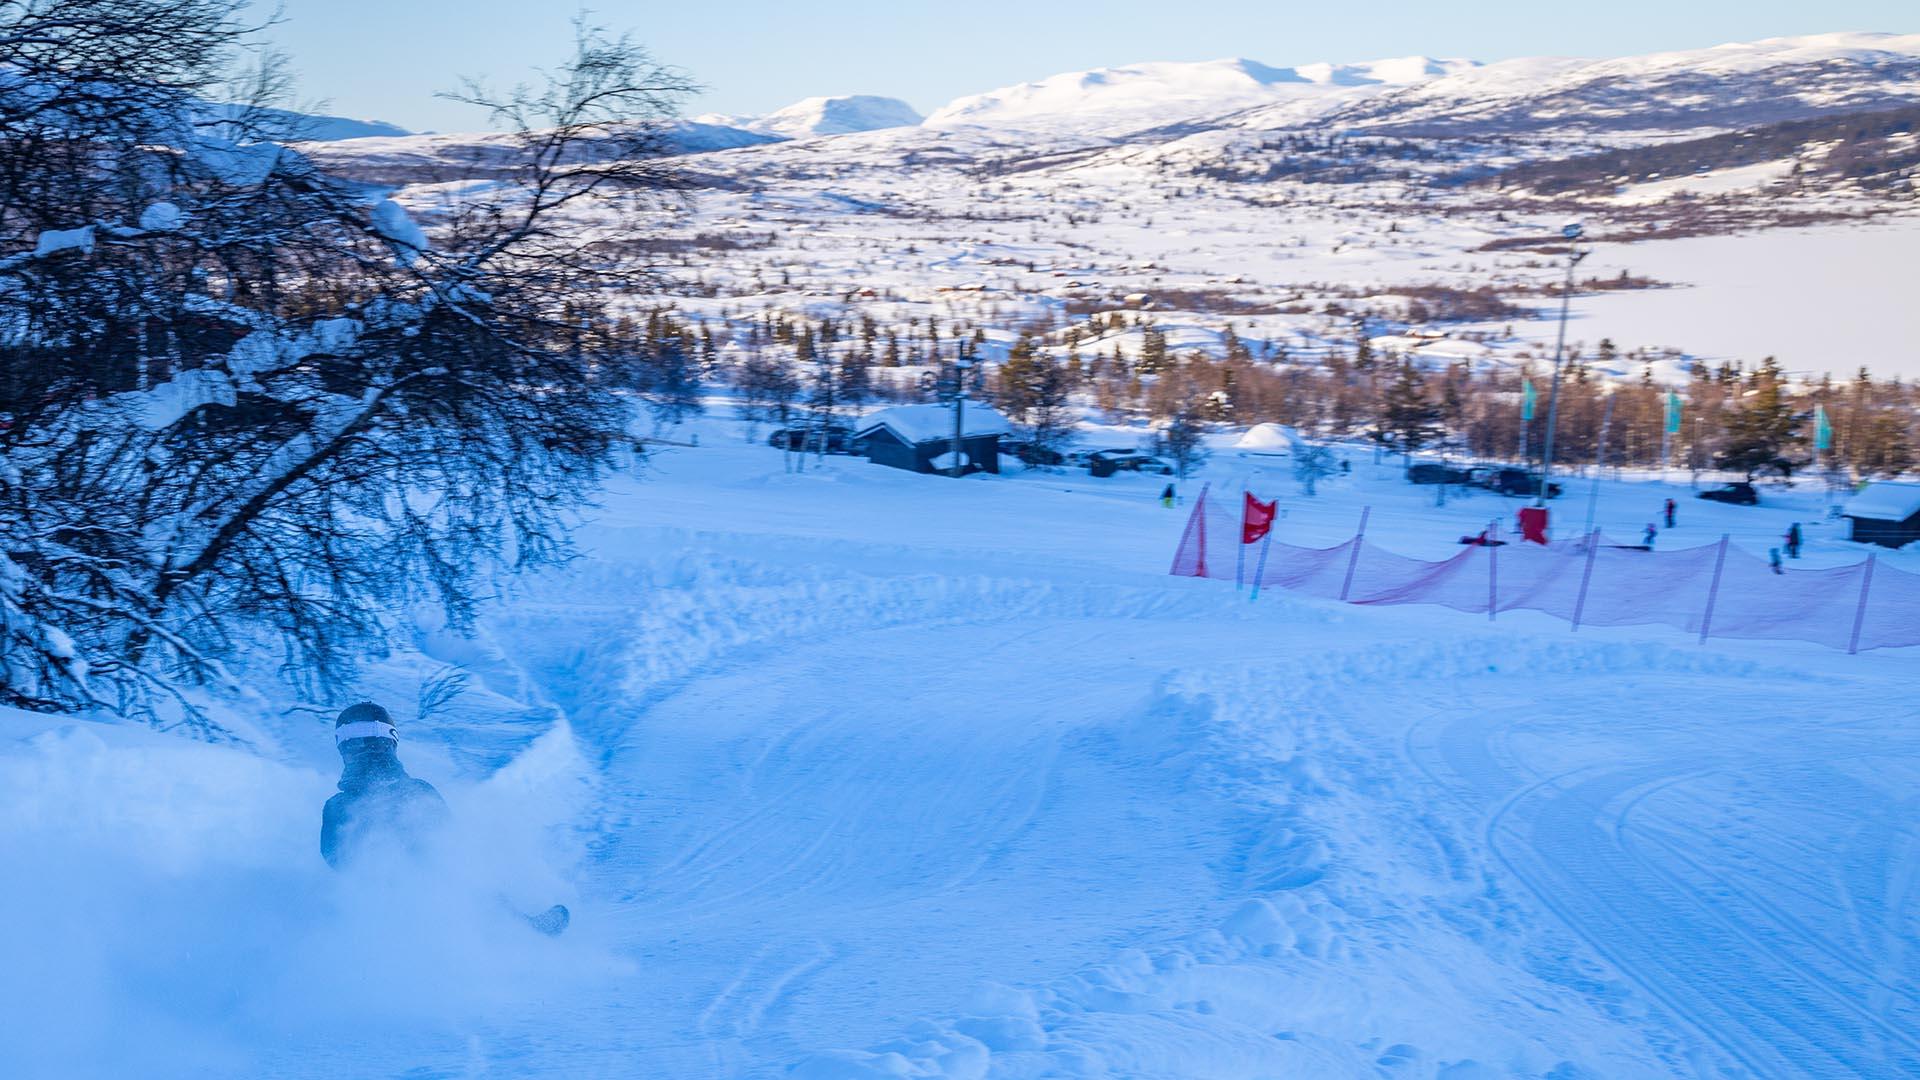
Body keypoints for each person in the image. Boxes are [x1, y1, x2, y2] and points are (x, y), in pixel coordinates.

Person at [321, 702, 448, 869]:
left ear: (344, 750)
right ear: (391, 743)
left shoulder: (337, 807)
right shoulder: (421, 793)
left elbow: (337, 865)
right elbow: (453, 849)